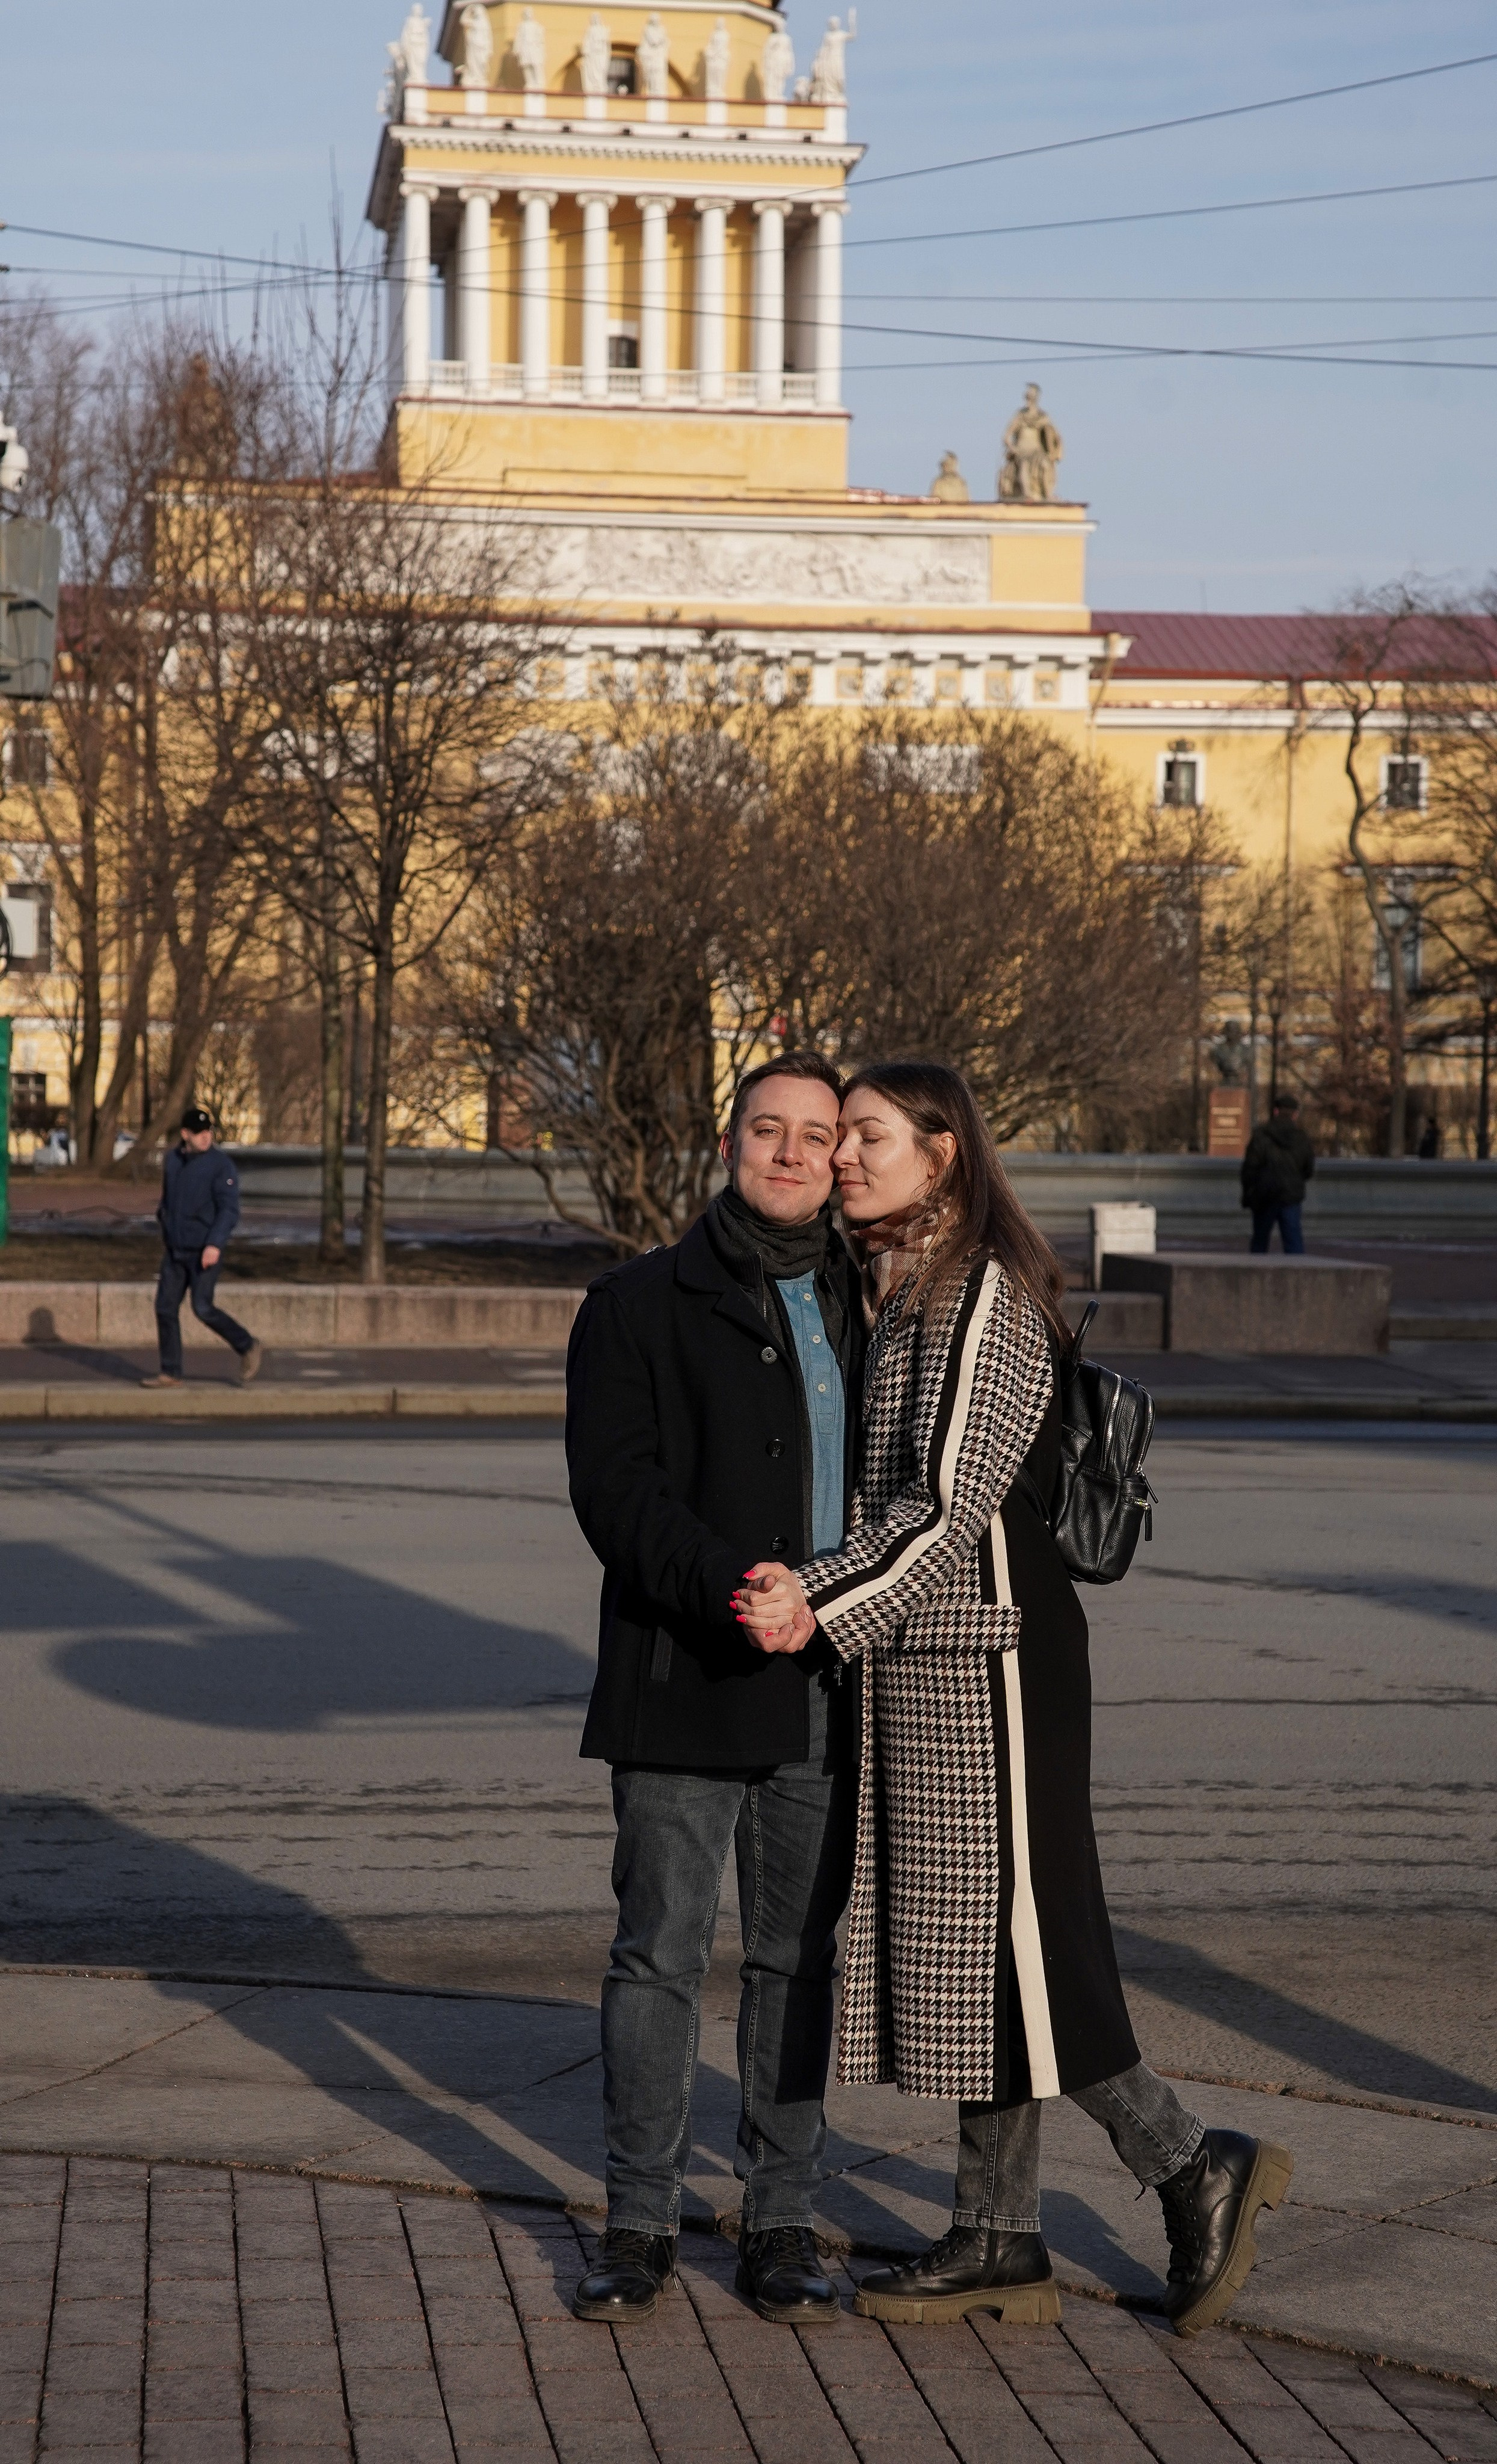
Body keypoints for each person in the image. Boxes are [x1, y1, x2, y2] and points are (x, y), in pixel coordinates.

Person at [739, 1061, 1292, 2336]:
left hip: (993, 1667)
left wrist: (814, 1599)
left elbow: (945, 1504)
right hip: (928, 1663)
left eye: (866, 1137)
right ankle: (996, 2229)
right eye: (841, 1140)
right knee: (968, 1959)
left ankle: (1190, 2161)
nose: (842, 1159)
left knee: (1028, 1947)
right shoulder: (896, 1286)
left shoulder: (979, 1293)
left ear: (941, 1152)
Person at [564, 1055, 867, 2329]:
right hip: (684, 1671)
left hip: (825, 1682)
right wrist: (730, 1582)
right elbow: (614, 1493)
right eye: (768, 1129)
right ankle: (636, 2219)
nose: (791, 1153)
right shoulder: (633, 1301)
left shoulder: (876, 1300)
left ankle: (780, 2218)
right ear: (729, 1138)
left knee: (798, 1962)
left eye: (816, 1134)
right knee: (660, 1955)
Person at [142, 1104, 262, 1389]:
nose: (205, 1137)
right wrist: (165, 1222)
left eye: (208, 1131)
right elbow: (168, 1201)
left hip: (204, 1251)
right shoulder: (172, 1161)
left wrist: (214, 1244)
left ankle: (247, 1346)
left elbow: (229, 1210)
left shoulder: (221, 1166)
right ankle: (170, 1372)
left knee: (203, 1307)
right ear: (185, 1134)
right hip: (176, 1250)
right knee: (165, 1308)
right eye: (198, 1133)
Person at [1241, 1092, 1315, 1254]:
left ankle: (1256, 1276)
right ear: (1295, 1115)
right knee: (1294, 1243)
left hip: (1265, 1195)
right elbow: (1308, 1169)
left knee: (1260, 1242)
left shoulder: (1261, 1136)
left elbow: (1250, 1168)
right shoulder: (1302, 1138)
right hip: (1291, 1196)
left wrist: (1249, 1194)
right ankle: (1297, 1276)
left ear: (1275, 1112)